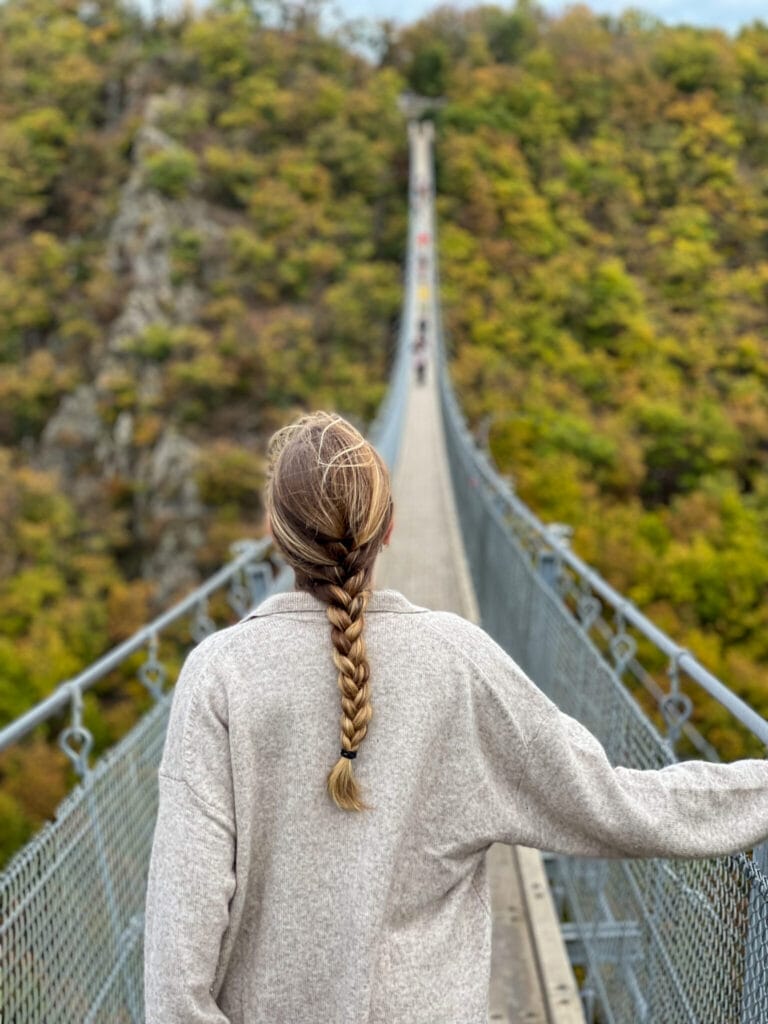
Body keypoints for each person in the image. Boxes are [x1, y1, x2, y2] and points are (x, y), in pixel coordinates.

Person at [143, 411, 768, 1024]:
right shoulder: (460, 662)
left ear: (277, 537)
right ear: (388, 528)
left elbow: (178, 972)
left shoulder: (218, 676)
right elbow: (615, 804)